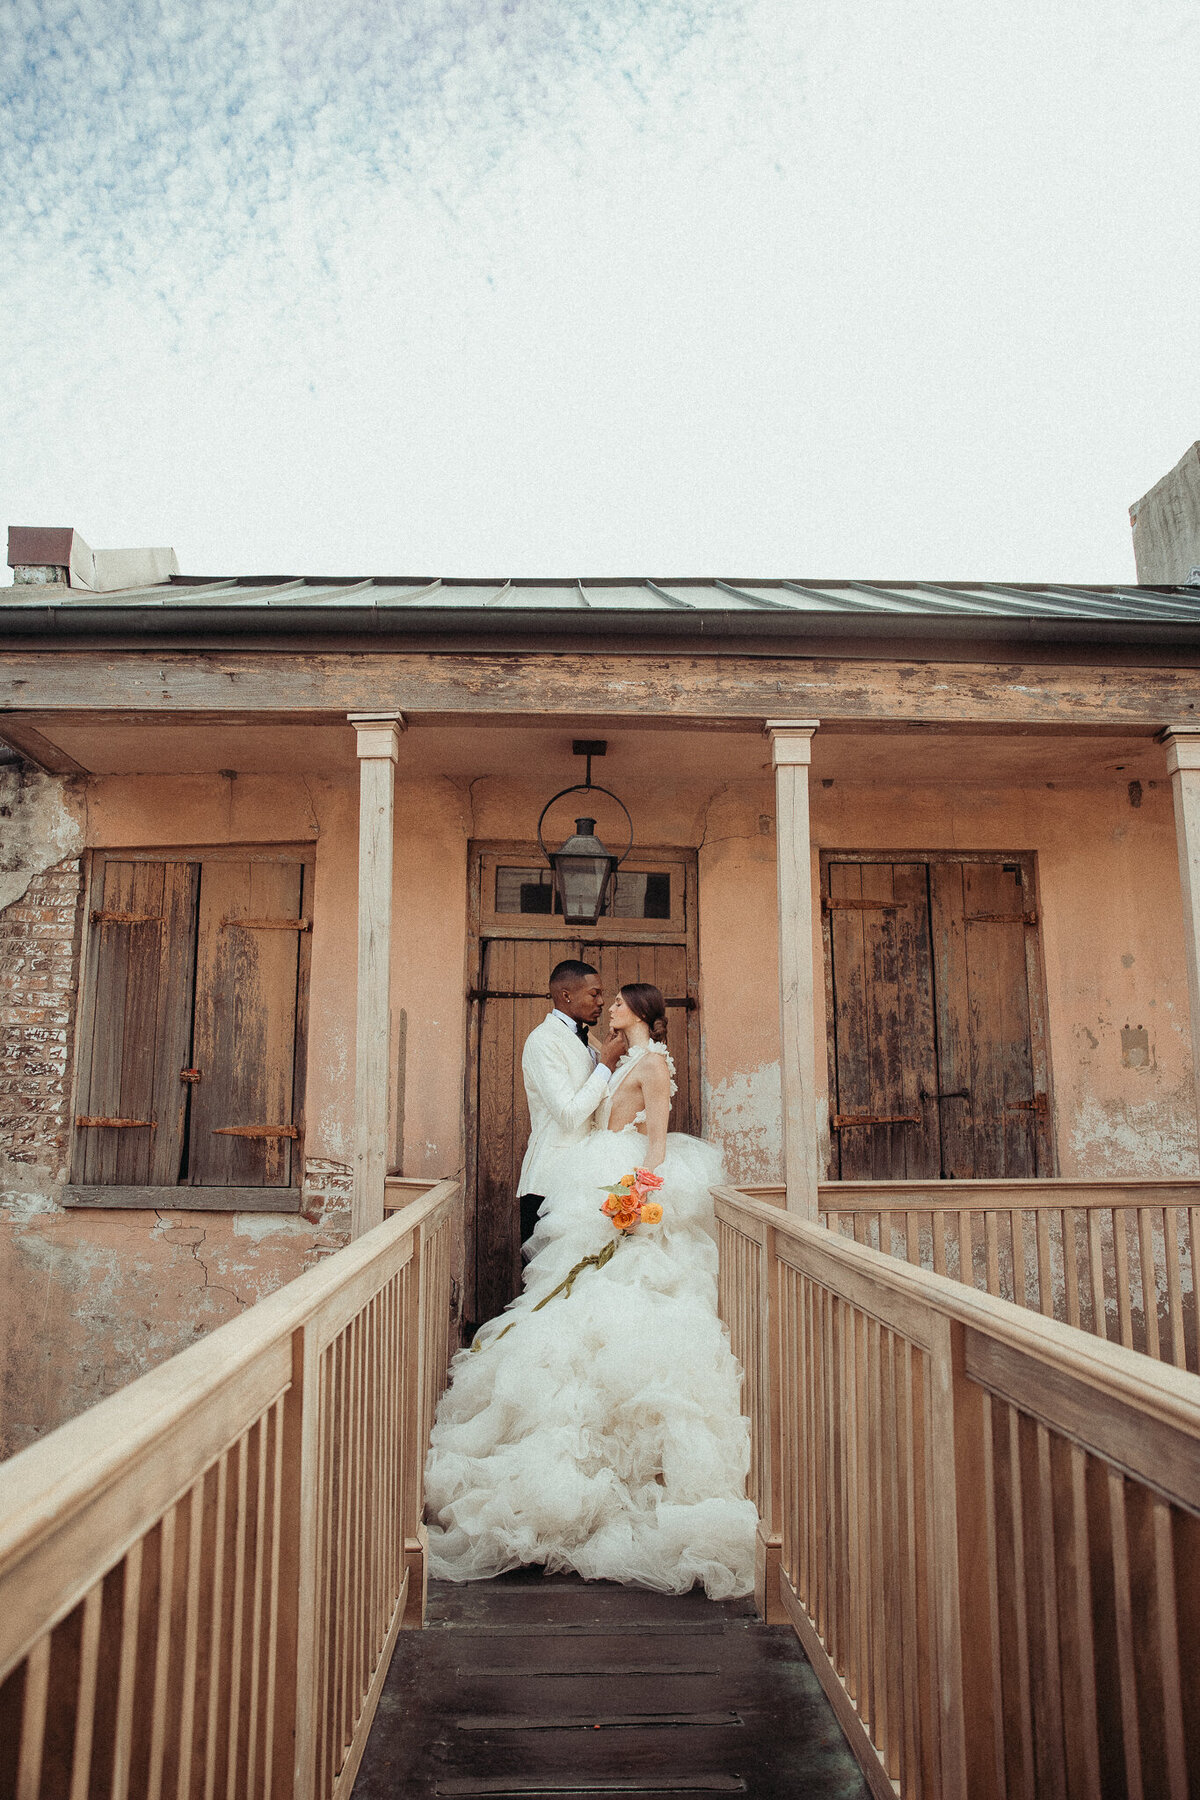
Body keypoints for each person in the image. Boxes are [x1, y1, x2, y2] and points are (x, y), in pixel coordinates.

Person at [426, 982, 756, 1599]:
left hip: (625, 1182)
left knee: (624, 1309)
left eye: (620, 1002)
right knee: (571, 1307)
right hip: (593, 1178)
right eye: (606, 1000)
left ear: (644, 1015)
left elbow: (655, 1138)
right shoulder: (622, 1057)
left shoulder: (653, 1063)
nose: (610, 1008)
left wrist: (642, 1196)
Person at [516, 959, 627, 1255]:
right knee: (545, 1284)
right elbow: (569, 1115)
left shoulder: (586, 1041)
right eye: (594, 994)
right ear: (566, 996)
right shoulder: (542, 1041)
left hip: (584, 1183)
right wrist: (605, 1065)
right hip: (549, 1184)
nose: (602, 1001)